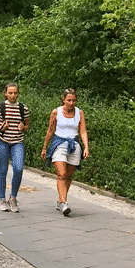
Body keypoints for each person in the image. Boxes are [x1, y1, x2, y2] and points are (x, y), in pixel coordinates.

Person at [41, 88, 90, 216]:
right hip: (59, 144)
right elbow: (50, 131)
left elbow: (83, 131)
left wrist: (86, 147)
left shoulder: (80, 113)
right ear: (64, 100)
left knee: (68, 176)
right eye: (69, 100)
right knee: (61, 174)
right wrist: (44, 147)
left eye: (74, 100)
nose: (71, 103)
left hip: (74, 145)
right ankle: (64, 203)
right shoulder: (56, 112)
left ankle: (60, 201)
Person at [0, 83, 30, 213]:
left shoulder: (23, 108)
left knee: (18, 169)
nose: (13, 95)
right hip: (2, 141)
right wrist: (0, 127)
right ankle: (2, 200)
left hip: (18, 142)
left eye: (15, 93)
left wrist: (23, 127)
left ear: (18, 94)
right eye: (10, 93)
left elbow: (27, 125)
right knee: (3, 170)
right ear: (5, 93)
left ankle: (13, 198)